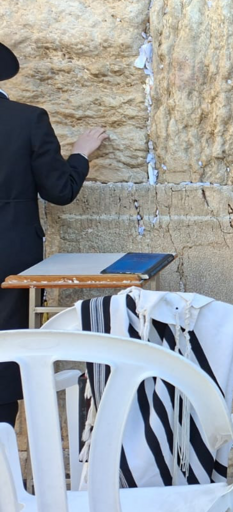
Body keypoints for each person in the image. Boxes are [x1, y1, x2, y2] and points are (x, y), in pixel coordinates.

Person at [0, 41, 107, 427]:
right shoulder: (27, 120)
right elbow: (60, 191)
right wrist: (80, 154)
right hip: (10, 254)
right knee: (6, 353)